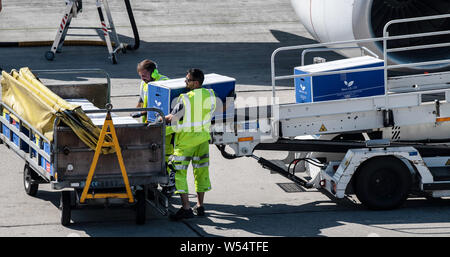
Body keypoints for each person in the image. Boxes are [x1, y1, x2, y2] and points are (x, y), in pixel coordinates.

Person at [165, 68, 216, 221]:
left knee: (179, 173)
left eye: (187, 80)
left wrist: (164, 118)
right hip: (203, 140)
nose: (185, 82)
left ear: (195, 83)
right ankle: (200, 206)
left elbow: (173, 118)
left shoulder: (186, 99)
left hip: (186, 142)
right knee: (201, 172)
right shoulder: (211, 95)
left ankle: (186, 208)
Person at [131, 59, 174, 196]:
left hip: (164, 128)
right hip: (149, 126)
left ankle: (169, 185)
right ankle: (152, 183)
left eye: (144, 75)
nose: (142, 78)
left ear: (154, 72)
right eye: (140, 76)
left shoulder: (164, 83)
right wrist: (134, 113)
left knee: (165, 157)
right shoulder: (144, 84)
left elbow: (163, 106)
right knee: (151, 155)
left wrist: (142, 112)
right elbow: (141, 101)